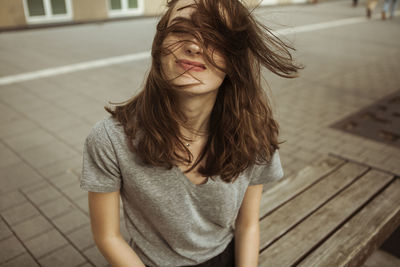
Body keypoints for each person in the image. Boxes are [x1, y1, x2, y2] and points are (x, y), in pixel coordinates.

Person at [80, 0, 301, 266]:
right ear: (159, 47)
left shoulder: (255, 133)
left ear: (234, 59)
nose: (194, 45)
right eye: (180, 30)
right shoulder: (110, 140)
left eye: (214, 35)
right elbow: (107, 236)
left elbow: (247, 225)